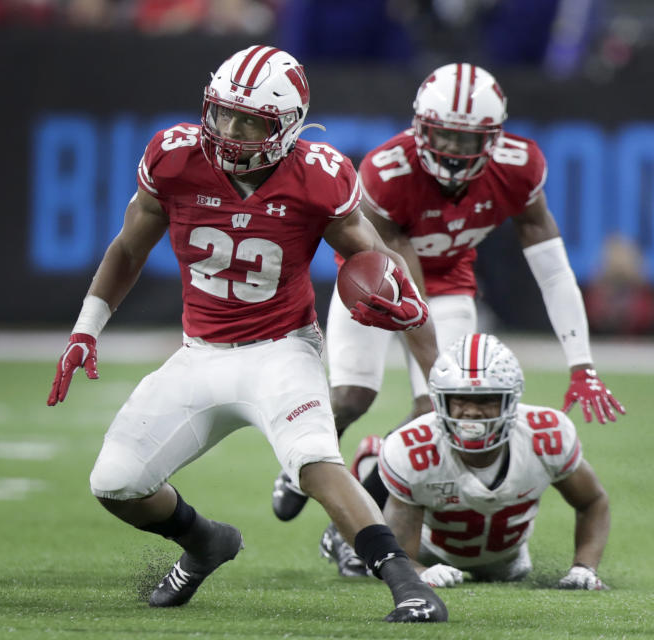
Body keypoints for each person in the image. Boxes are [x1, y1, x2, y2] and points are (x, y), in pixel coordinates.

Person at [47, 45, 448, 623]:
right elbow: (129, 247)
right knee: (117, 483)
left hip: (281, 349)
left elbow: (373, 257)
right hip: (199, 355)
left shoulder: (318, 174)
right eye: (224, 114)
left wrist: (401, 301)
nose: (231, 132)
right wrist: (87, 328)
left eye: (251, 121)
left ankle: (407, 584)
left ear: (287, 126)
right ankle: (206, 541)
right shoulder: (175, 156)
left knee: (314, 462)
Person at [270, 62, 626, 523]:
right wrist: (438, 369)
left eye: (467, 139)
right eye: (444, 135)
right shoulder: (387, 169)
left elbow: (554, 271)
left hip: (450, 283)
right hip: (377, 283)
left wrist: (583, 365)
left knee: (430, 415)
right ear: (420, 126)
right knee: (352, 397)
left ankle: (368, 501)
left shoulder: (520, 166)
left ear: (493, 138)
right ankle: (300, 460)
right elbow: (398, 265)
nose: (454, 151)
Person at [319, 333, 610, 591]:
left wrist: (583, 568)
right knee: (367, 563)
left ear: (510, 401)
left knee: (512, 573)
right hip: (434, 553)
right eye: (460, 399)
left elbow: (593, 501)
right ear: (441, 401)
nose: (471, 412)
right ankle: (372, 465)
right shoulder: (415, 448)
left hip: (509, 563)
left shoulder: (546, 435)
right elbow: (401, 551)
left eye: (485, 399)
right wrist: (420, 572)